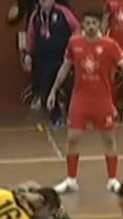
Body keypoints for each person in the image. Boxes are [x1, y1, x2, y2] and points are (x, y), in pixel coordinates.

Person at [47, 11, 123, 195]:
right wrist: (54, 90)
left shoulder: (109, 45)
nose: (91, 26)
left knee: (109, 140)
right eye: (87, 23)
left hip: (102, 100)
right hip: (80, 99)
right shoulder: (74, 43)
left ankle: (112, 180)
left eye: (94, 23)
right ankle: (71, 180)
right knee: (72, 139)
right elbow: (65, 66)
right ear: (82, 25)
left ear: (99, 25)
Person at [25, 0, 81, 128]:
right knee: (46, 88)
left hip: (62, 57)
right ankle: (55, 117)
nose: (45, 2)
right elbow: (31, 35)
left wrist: (74, 46)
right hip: (42, 58)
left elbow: (76, 28)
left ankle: (73, 116)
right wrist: (28, 54)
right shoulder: (35, 16)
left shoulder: (63, 12)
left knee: (68, 87)